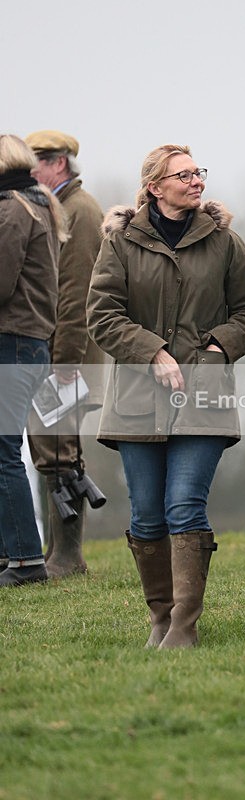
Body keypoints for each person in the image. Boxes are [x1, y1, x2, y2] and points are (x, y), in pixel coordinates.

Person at [86, 143, 245, 649]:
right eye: (184, 175)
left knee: (185, 505)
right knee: (146, 513)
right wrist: (153, 352)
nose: (196, 182)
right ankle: (160, 620)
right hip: (136, 401)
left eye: (198, 173)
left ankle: (184, 628)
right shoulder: (119, 243)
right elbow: (102, 316)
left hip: (204, 398)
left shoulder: (225, 242)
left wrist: (214, 351)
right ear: (154, 187)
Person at [24, 130, 106, 578]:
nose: (29, 172)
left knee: (61, 450)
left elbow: (76, 297)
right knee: (49, 448)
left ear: (59, 163)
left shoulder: (80, 210)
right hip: (58, 354)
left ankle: (67, 557)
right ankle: (57, 550)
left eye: (35, 162)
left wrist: (65, 363)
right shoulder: (61, 207)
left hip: (67, 356)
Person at [0, 134, 68, 587]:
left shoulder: (11, 209)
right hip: (30, 342)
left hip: (12, 342)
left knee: (3, 453)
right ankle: (16, 555)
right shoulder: (38, 204)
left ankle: (25, 560)